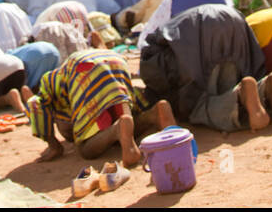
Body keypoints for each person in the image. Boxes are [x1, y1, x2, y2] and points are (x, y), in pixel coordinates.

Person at [140, 3, 272, 134]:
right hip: (232, 20)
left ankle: (240, 94)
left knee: (200, 106)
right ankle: (267, 85)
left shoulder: (152, 49)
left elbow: (157, 76)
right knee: (228, 84)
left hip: (195, 36)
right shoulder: (170, 26)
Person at [28, 48, 174, 165]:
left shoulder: (47, 84)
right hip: (114, 59)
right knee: (124, 116)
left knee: (85, 149)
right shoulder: (63, 85)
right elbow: (120, 95)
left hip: (83, 69)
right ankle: (155, 113)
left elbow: (34, 104)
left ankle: (117, 128)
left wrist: (53, 144)